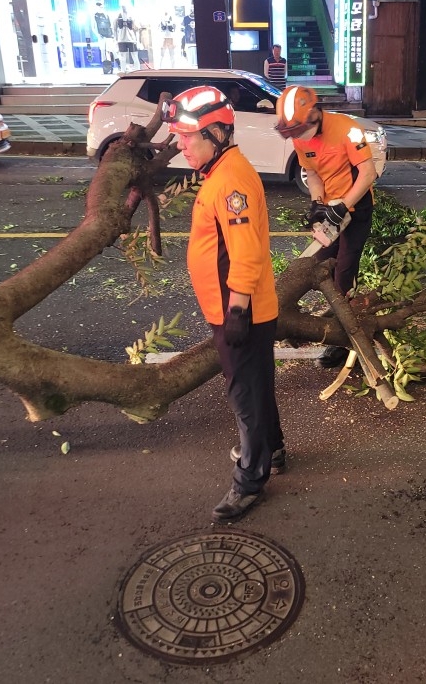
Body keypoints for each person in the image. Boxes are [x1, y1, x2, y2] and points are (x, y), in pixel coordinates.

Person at [164, 85, 284, 523]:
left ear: (215, 134)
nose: (180, 145)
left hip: (239, 312)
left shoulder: (231, 180)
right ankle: (274, 452)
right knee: (257, 384)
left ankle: (249, 480)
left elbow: (246, 250)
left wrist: (236, 312)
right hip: (238, 308)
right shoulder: (223, 171)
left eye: (186, 137)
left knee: (245, 394)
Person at [274, 85, 378, 369]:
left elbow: (368, 173)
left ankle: (341, 340)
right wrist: (318, 204)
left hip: (356, 208)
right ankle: (296, 317)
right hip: (331, 208)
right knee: (317, 265)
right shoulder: (300, 138)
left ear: (315, 114)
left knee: (344, 270)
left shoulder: (349, 129)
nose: (296, 136)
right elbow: (312, 173)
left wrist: (343, 205)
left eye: (298, 130)